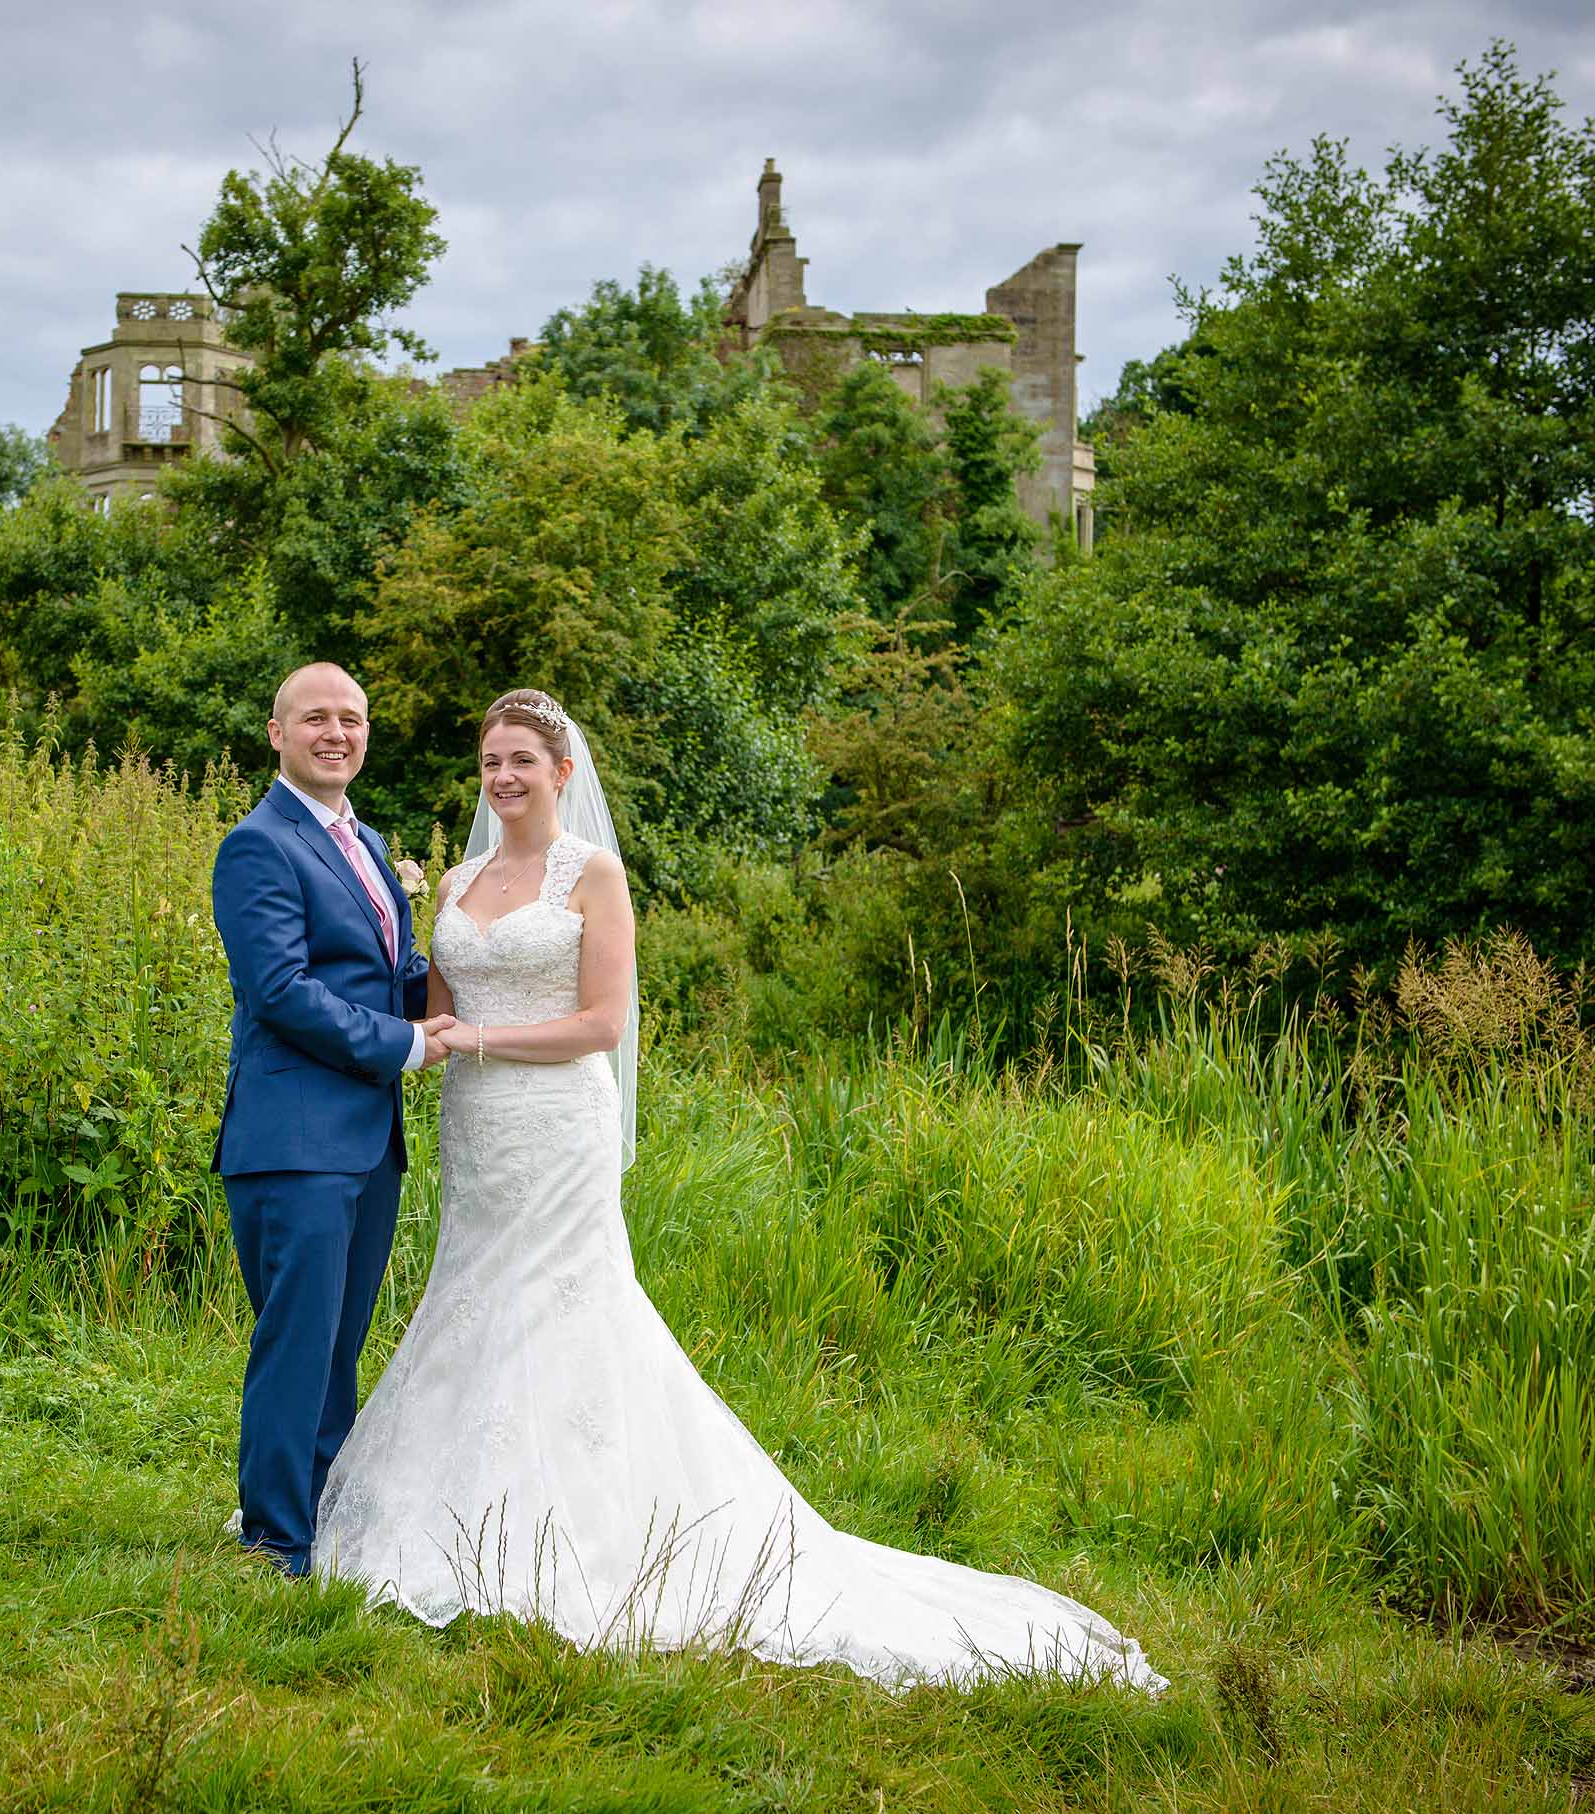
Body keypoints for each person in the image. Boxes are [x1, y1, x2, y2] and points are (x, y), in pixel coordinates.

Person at [306, 688, 1166, 1693]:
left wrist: (484, 1041)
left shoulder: (593, 876)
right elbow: (442, 1009)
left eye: (522, 762)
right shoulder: (457, 882)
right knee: (473, 1294)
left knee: (562, 1304)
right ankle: (456, 1508)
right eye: (491, 761)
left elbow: (602, 1024)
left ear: (562, 773)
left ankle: (582, 1522)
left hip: (559, 1125)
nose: (503, 778)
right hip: (477, 1128)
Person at [209, 661, 452, 1578]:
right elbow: (281, 991)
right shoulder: (258, 846)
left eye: (351, 718)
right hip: (294, 1137)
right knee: (298, 1345)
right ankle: (274, 1540)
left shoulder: (367, 841)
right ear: (278, 734)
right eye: (315, 718)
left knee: (338, 1346)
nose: (336, 733)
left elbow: (389, 974)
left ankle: (318, 1517)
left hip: (367, 1140)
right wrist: (408, 1045)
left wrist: (485, 987)